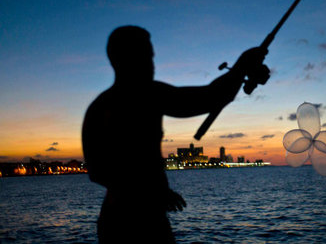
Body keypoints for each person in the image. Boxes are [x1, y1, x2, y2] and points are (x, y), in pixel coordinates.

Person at [82, 25, 268, 243]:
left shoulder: (98, 106)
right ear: (127, 58)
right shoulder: (146, 94)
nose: (152, 63)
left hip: (122, 219)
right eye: (146, 56)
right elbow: (207, 98)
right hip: (135, 222)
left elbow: (98, 173)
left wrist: (240, 69)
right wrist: (241, 66)